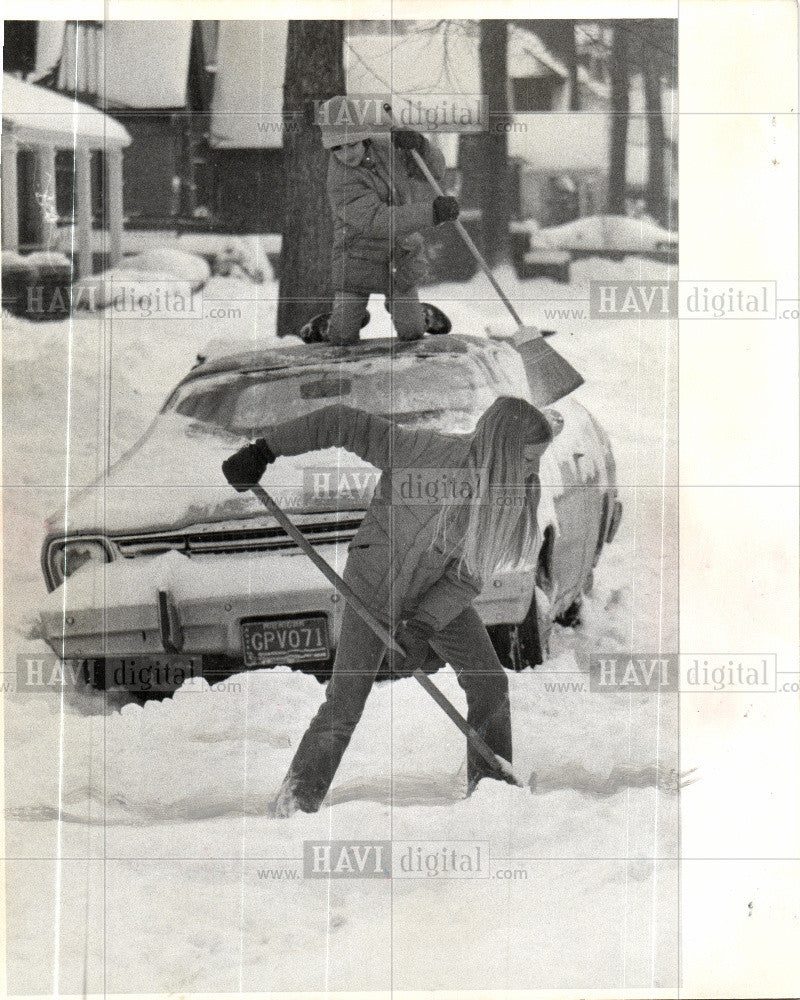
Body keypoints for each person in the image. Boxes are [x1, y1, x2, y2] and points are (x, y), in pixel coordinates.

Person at [222, 396, 554, 816]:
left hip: (434, 596)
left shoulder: (508, 498)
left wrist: (423, 626)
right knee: (344, 705)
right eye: (527, 458)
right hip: (371, 597)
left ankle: (491, 793)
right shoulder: (422, 453)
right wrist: (265, 450)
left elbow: (468, 577)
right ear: (502, 447)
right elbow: (342, 422)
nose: (532, 470)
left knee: (489, 682)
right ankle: (295, 804)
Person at [318, 95, 459, 345]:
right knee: (342, 337)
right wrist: (432, 213)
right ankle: (328, 325)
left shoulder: (387, 148)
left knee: (412, 333)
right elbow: (377, 220)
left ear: (365, 137)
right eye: (337, 148)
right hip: (357, 257)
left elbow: (434, 171)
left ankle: (420, 316)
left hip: (398, 256)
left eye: (352, 144)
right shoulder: (339, 181)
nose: (346, 154)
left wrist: (421, 146)